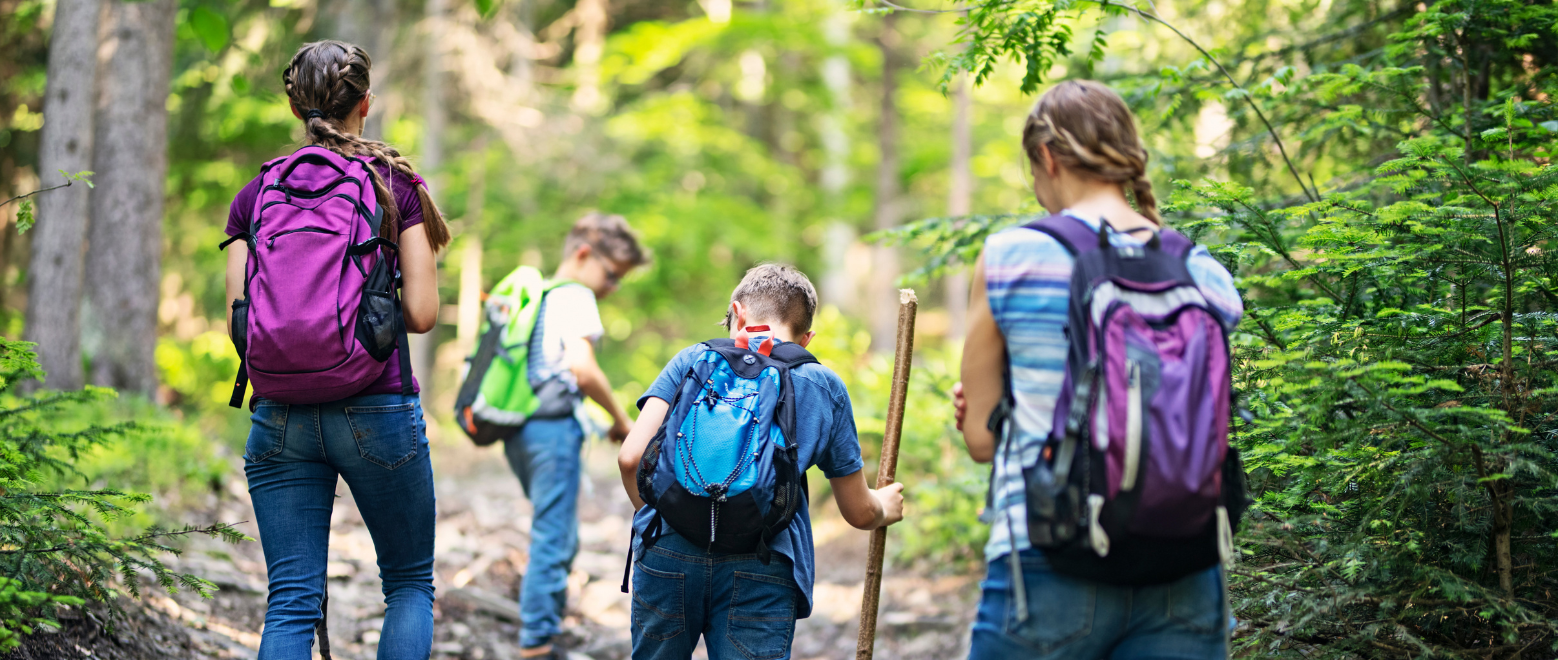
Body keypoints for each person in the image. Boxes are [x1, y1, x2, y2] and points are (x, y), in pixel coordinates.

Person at [952, 80, 1244, 659]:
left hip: (1047, 554)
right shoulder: (1199, 270)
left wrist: (996, 404)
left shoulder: (1010, 256)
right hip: (1186, 561)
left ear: (1048, 157)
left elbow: (982, 441)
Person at [225, 41, 451, 660]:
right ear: (365, 104)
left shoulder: (257, 193)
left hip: (279, 415)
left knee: (291, 598)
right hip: (376, 405)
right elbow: (424, 316)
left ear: (296, 105)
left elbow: (237, 320)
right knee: (408, 585)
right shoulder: (393, 184)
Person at [617, 264, 907, 660]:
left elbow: (631, 457)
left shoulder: (693, 360)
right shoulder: (824, 386)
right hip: (763, 561)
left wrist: (675, 515)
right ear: (807, 337)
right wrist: (883, 507)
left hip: (668, 551)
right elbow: (858, 512)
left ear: (737, 314)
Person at [509, 213, 647, 660]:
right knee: (554, 535)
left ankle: (544, 628)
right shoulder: (574, 295)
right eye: (611, 275)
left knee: (554, 530)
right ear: (584, 254)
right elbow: (582, 369)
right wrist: (623, 420)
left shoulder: (544, 296)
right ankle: (537, 643)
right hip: (552, 432)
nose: (612, 287)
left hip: (522, 430)